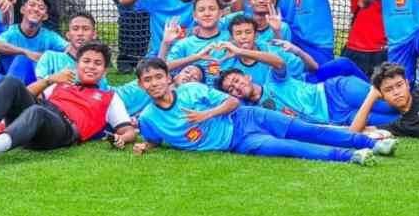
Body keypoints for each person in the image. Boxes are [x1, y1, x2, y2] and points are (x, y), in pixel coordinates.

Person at [133, 57, 394, 165]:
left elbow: (233, 102)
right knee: (288, 147)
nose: (155, 83)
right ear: (142, 85)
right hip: (238, 141)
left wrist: (206, 115)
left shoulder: (191, 90)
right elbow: (154, 138)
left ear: (169, 78)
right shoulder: (148, 118)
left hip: (247, 116)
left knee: (307, 130)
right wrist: (147, 146)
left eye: (159, 77)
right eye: (148, 80)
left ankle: (370, 142)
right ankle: (352, 156)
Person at [0, 42, 136, 167]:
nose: (91, 66)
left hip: (63, 129)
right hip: (35, 119)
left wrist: (123, 139)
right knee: (11, 83)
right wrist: (49, 80)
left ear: (104, 71)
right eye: (86, 61)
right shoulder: (61, 84)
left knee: (37, 111)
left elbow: (127, 130)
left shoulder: (109, 97)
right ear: (77, 64)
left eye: (98, 63)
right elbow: (23, 95)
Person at [218, 49, 400, 127]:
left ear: (247, 76)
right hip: (337, 117)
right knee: (396, 120)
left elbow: (278, 61)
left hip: (336, 91)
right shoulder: (255, 111)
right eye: (231, 89)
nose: (236, 87)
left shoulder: (272, 80)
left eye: (236, 80)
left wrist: (240, 51)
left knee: (392, 105)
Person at [0, 0, 69, 83]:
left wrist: (50, 58)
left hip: (36, 87)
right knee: (22, 60)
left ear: (45, 16)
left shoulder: (50, 36)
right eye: (32, 5)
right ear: (22, 10)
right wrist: (26, 53)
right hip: (7, 87)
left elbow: (69, 48)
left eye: (41, 8)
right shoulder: (11, 32)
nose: (36, 9)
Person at [162, 0, 230, 82]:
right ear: (195, 16)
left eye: (212, 9)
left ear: (220, 13)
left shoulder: (231, 38)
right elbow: (162, 70)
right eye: (201, 10)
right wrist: (165, 43)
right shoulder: (183, 44)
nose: (207, 14)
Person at [34, 11, 109, 88]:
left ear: (94, 35)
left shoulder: (96, 67)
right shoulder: (50, 57)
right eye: (75, 29)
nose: (80, 33)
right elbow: (38, 90)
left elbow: (102, 93)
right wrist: (53, 79)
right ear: (68, 35)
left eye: (85, 29)